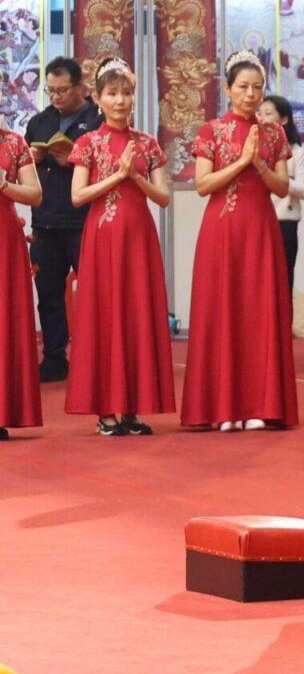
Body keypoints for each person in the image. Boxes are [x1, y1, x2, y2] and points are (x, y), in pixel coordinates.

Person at [183, 52, 296, 432]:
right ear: (227, 88)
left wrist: (259, 164)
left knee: (259, 310)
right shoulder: (211, 131)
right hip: (221, 230)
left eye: (257, 87)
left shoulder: (274, 132)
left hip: (261, 227)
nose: (250, 94)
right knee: (222, 310)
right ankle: (220, 407)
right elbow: (202, 186)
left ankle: (261, 405)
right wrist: (241, 162)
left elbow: (282, 188)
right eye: (243, 87)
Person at [63, 60, 173, 437]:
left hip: (139, 239)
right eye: (112, 93)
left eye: (126, 92)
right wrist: (117, 176)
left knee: (136, 314)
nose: (121, 100)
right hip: (102, 239)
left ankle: (130, 408)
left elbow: (163, 198)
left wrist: (135, 177)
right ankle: (106, 410)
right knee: (105, 315)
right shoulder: (88, 143)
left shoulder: (148, 143)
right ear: (97, 98)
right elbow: (78, 196)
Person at [25, 56, 101, 382]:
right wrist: (32, 157)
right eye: (51, 90)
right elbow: (22, 167)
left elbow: (109, 169)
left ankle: (96, 357)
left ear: (80, 86)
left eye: (63, 90)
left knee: (95, 294)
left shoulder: (98, 121)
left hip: (84, 220)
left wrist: (72, 160)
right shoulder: (39, 121)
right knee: (49, 293)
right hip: (45, 220)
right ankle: (55, 357)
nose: (56, 97)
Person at [0, 112, 42, 438]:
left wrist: (3, 183)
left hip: (5, 240)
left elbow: (34, 194)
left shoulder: (13, 142)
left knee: (4, 322)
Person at [260, 94, 304, 306]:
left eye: (268, 113)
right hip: (261, 220)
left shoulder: (297, 153)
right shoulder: (254, 148)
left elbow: (303, 189)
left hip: (285, 222)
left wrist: (279, 180)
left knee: (282, 281)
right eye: (260, 113)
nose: (262, 118)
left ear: (284, 120)